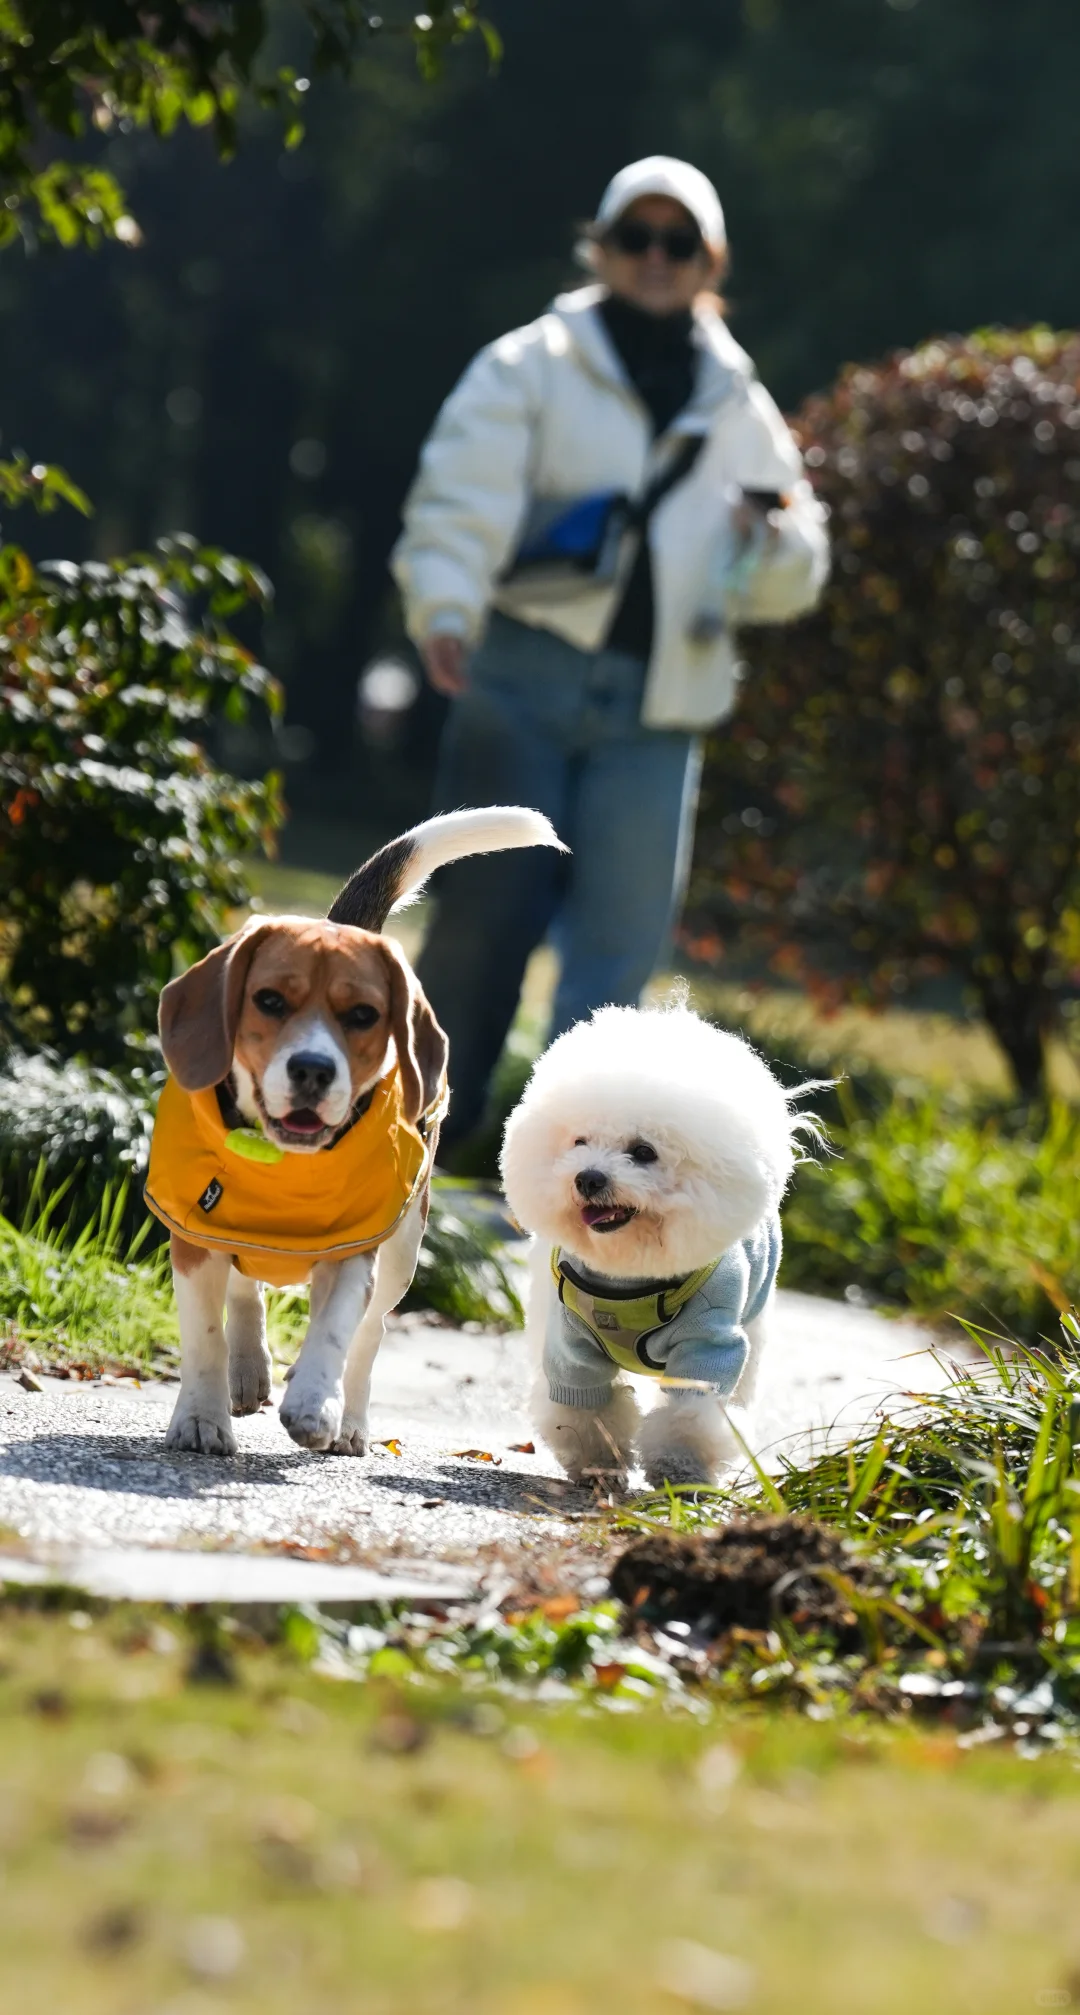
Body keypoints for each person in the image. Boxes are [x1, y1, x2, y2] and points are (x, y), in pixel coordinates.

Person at [392, 155, 828, 1158]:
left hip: (659, 708)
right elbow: (463, 494)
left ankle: (563, 1184)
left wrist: (772, 541)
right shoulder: (530, 363)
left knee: (617, 951)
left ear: (710, 260)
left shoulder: (734, 397)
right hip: (522, 676)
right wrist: (446, 607)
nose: (656, 260)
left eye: (679, 243)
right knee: (478, 924)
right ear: (600, 247)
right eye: (637, 237)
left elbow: (801, 566)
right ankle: (418, 1154)